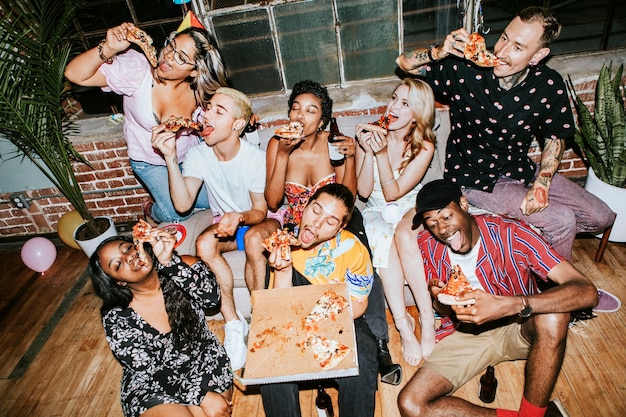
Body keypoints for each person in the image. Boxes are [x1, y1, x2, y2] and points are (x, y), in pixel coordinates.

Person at [395, 6, 615, 261]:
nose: (501, 51)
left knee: (602, 216)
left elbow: (555, 136)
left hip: (520, 169)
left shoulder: (548, 84)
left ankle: (532, 247)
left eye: (518, 47)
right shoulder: (465, 69)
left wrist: (542, 183)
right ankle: (554, 289)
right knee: (562, 220)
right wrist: (438, 52)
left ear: (538, 55)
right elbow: (404, 62)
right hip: (475, 179)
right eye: (504, 38)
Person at [397, 179, 598, 417]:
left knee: (553, 315)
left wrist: (510, 305)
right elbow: (442, 308)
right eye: (432, 224)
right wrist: (439, 299)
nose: (441, 229)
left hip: (518, 325)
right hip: (465, 333)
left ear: (463, 204)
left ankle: (532, 413)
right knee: (411, 404)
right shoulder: (429, 246)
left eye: (446, 217)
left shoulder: (512, 233)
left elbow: (587, 291)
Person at [264, 79, 401, 384]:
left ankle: (379, 344)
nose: (299, 116)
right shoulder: (277, 142)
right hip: (300, 224)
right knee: (274, 256)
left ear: (323, 120)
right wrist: (283, 156)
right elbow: (273, 201)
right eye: (295, 108)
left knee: (362, 252)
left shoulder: (334, 144)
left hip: (337, 220)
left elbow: (349, 201)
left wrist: (350, 157)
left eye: (310, 111)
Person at [151, 87, 280, 371]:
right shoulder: (199, 155)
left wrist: (238, 216)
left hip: (260, 220)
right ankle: (234, 324)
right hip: (226, 222)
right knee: (204, 245)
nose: (206, 113)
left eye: (218, 111)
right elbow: (183, 204)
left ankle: (259, 320)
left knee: (256, 240)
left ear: (237, 125)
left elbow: (260, 210)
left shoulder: (254, 158)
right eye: (208, 107)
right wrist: (171, 157)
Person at [65, 23, 228, 224]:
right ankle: (151, 209)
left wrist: (240, 117)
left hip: (189, 156)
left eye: (181, 57)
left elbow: (221, 113)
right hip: (149, 161)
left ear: (195, 71)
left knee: (216, 200)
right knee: (177, 214)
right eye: (171, 45)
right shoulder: (138, 71)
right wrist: (108, 48)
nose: (168, 55)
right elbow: (74, 74)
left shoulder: (201, 91)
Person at [261, 183, 378, 417]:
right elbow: (279, 311)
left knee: (363, 357)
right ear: (306, 206)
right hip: (291, 317)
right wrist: (283, 271)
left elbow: (358, 304)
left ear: (340, 227)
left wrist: (321, 319)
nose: (317, 223)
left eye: (330, 221)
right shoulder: (282, 246)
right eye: (316, 210)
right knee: (270, 360)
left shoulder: (354, 249)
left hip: (342, 315)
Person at [88, 231, 233, 417]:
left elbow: (212, 300)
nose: (129, 257)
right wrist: (202, 397)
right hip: (155, 381)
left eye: (128, 249)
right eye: (118, 264)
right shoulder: (116, 317)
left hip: (204, 363)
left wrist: (170, 262)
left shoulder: (183, 265)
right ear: (119, 282)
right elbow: (151, 372)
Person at [355, 78, 437, 366]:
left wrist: (379, 155)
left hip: (408, 205)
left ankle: (427, 319)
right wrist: (365, 151)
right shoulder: (371, 135)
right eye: (393, 98)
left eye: (405, 104)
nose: (394, 107)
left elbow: (394, 192)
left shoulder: (424, 146)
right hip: (377, 209)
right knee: (383, 248)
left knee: (403, 237)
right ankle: (403, 326)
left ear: (417, 114)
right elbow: (364, 192)